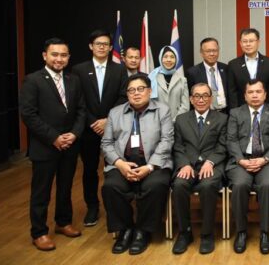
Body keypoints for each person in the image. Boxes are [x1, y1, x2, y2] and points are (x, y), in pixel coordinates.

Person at [19, 38, 87, 251]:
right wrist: (54, 137)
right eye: (54, 54)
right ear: (45, 56)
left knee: (65, 187)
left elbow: (81, 110)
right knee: (41, 192)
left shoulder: (74, 80)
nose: (59, 59)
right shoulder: (33, 80)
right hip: (45, 146)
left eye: (63, 55)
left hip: (69, 146)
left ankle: (63, 222)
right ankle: (39, 232)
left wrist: (74, 134)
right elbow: (28, 115)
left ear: (68, 57)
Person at [100, 74, 174, 255]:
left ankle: (143, 231)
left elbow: (167, 140)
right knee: (111, 186)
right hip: (122, 163)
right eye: (131, 90)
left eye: (141, 89)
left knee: (155, 185)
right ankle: (125, 230)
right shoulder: (115, 112)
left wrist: (149, 167)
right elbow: (106, 143)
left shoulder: (163, 110)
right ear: (127, 94)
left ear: (150, 91)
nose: (136, 93)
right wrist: (120, 164)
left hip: (154, 163)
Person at [72, 29, 128, 227]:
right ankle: (92, 207)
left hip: (114, 128)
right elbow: (77, 99)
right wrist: (93, 121)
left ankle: (117, 205)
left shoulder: (119, 69)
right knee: (89, 170)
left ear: (111, 47)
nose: (102, 47)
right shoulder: (79, 70)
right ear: (91, 46)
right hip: (89, 129)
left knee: (115, 167)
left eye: (105, 44)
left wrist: (108, 120)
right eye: (98, 44)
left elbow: (123, 96)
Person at [226, 79, 269, 254]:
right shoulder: (235, 113)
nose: (255, 95)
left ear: (265, 94)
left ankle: (265, 232)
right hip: (242, 160)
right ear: (245, 95)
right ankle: (241, 231)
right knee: (240, 185)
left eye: (258, 92)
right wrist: (240, 160)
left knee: (267, 185)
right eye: (251, 92)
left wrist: (265, 159)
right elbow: (231, 140)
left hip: (267, 161)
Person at [171, 83, 228, 255]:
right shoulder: (181, 120)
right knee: (179, 185)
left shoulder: (222, 119)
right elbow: (178, 146)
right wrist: (184, 164)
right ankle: (185, 232)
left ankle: (207, 234)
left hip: (212, 165)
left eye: (205, 96)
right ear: (191, 99)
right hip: (188, 164)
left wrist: (210, 162)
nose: (201, 99)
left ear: (211, 98)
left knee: (207, 185)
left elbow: (223, 146)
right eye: (197, 96)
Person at [228, 28, 269, 109]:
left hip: (267, 110)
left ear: (258, 42)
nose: (248, 44)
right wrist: (234, 112)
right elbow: (232, 92)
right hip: (242, 111)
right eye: (245, 41)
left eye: (251, 41)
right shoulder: (233, 65)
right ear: (240, 43)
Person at [185, 37, 228, 112]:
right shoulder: (192, 72)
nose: (212, 54)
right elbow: (190, 97)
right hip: (205, 113)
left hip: (226, 113)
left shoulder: (226, 69)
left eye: (214, 50)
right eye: (208, 51)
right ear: (201, 53)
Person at [148, 45, 190, 121]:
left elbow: (185, 106)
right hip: (156, 121)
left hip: (177, 122)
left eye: (172, 57)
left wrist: (174, 121)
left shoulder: (182, 80)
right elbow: (149, 102)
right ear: (161, 59)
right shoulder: (152, 77)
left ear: (176, 59)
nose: (169, 60)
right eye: (165, 57)